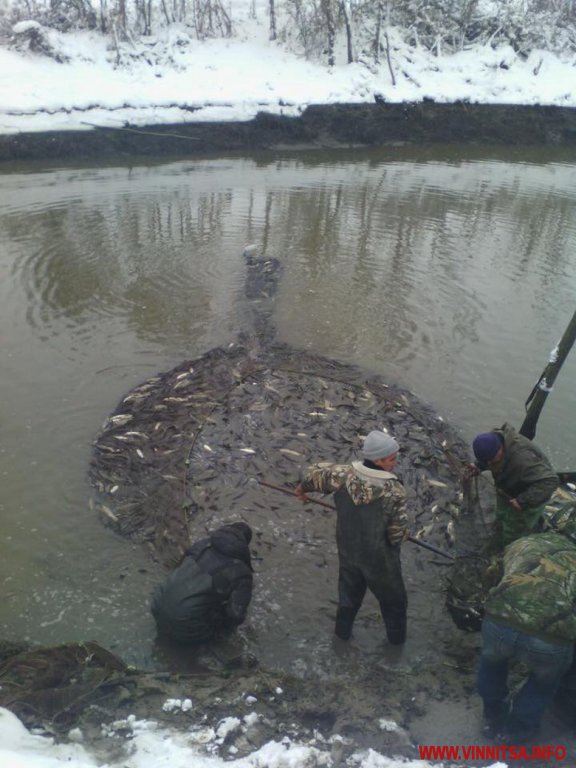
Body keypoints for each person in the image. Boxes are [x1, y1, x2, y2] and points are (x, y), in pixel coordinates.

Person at [295, 430, 409, 645]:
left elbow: (312, 475)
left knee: (348, 599)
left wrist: (302, 489)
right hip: (380, 561)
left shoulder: (341, 474)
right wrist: (402, 535)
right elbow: (396, 536)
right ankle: (396, 645)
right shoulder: (394, 491)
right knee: (394, 603)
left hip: (348, 552)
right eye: (392, 459)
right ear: (378, 459)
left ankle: (341, 637)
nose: (394, 463)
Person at [477, 530, 576, 742]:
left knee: (492, 662)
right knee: (543, 682)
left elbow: (490, 575)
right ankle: (517, 729)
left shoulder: (524, 541)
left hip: (499, 622)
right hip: (548, 641)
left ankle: (491, 717)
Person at [151, 522, 253, 645]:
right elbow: (236, 615)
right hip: (186, 627)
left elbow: (178, 569)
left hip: (156, 606)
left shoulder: (201, 545)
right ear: (244, 545)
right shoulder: (242, 572)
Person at [468, 422, 558, 549]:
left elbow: (550, 481)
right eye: (486, 461)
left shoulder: (523, 458)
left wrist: (523, 501)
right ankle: (500, 532)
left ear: (499, 449)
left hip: (530, 495)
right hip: (509, 489)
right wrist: (479, 465)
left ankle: (508, 548)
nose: (489, 463)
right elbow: (488, 458)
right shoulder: (494, 442)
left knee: (514, 531)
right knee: (501, 516)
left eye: (491, 460)